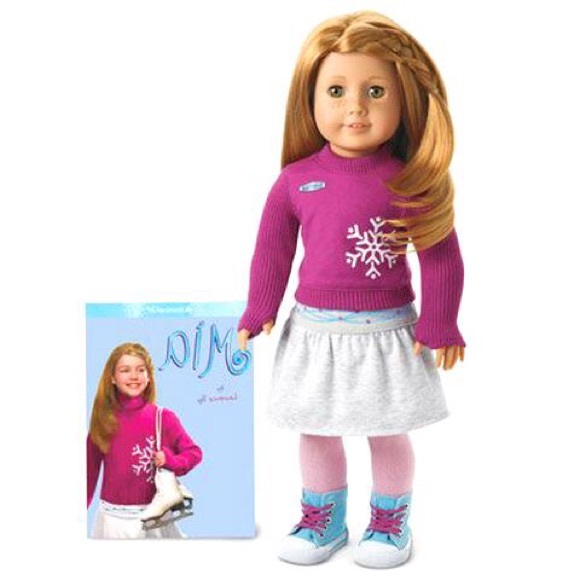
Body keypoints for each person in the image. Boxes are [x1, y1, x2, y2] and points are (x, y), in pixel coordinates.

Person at [238, 11, 465, 568]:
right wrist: (259, 307)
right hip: (315, 333)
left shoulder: (410, 179)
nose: (355, 108)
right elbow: (272, 251)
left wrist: (440, 321)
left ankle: (390, 522)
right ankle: (323, 519)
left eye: (375, 91)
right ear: (309, 99)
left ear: (403, 100)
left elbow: (440, 254)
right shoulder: (295, 181)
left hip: (387, 334)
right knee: (315, 431)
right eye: (336, 91)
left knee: (387, 433)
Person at [87, 342, 202, 538]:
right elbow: (88, 475)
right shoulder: (103, 421)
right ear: (112, 377)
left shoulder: (163, 418)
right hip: (112, 521)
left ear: (149, 377)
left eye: (141, 370)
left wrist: (170, 461)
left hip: (153, 521)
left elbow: (194, 453)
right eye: (125, 370)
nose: (134, 376)